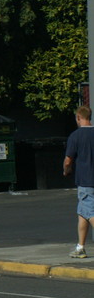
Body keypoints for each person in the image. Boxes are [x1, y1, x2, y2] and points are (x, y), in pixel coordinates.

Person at [63, 105, 94, 259]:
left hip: (86, 181)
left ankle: (80, 248)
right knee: (83, 213)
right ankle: (80, 247)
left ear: (78, 117)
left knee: (90, 212)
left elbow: (68, 160)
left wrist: (66, 170)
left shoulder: (75, 136)